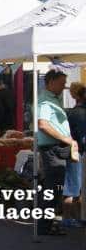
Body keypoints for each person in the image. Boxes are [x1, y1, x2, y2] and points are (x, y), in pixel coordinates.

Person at [37, 69, 75, 235]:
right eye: (61, 83)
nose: (63, 87)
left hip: (55, 148)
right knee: (53, 188)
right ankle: (44, 226)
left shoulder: (52, 98)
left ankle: (46, 224)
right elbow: (43, 124)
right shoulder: (46, 101)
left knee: (54, 188)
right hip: (52, 148)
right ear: (51, 82)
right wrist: (65, 138)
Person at [64, 82, 85, 228]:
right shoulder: (78, 112)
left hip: (75, 151)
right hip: (79, 152)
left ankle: (70, 218)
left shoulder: (72, 113)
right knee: (76, 187)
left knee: (72, 187)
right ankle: (74, 218)